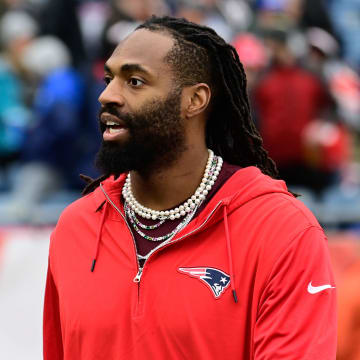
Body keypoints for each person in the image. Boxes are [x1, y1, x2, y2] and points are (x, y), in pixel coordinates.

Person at [43, 16, 337, 359]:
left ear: (194, 100)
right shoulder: (75, 227)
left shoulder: (281, 230)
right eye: (109, 79)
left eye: (135, 81)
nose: (107, 95)